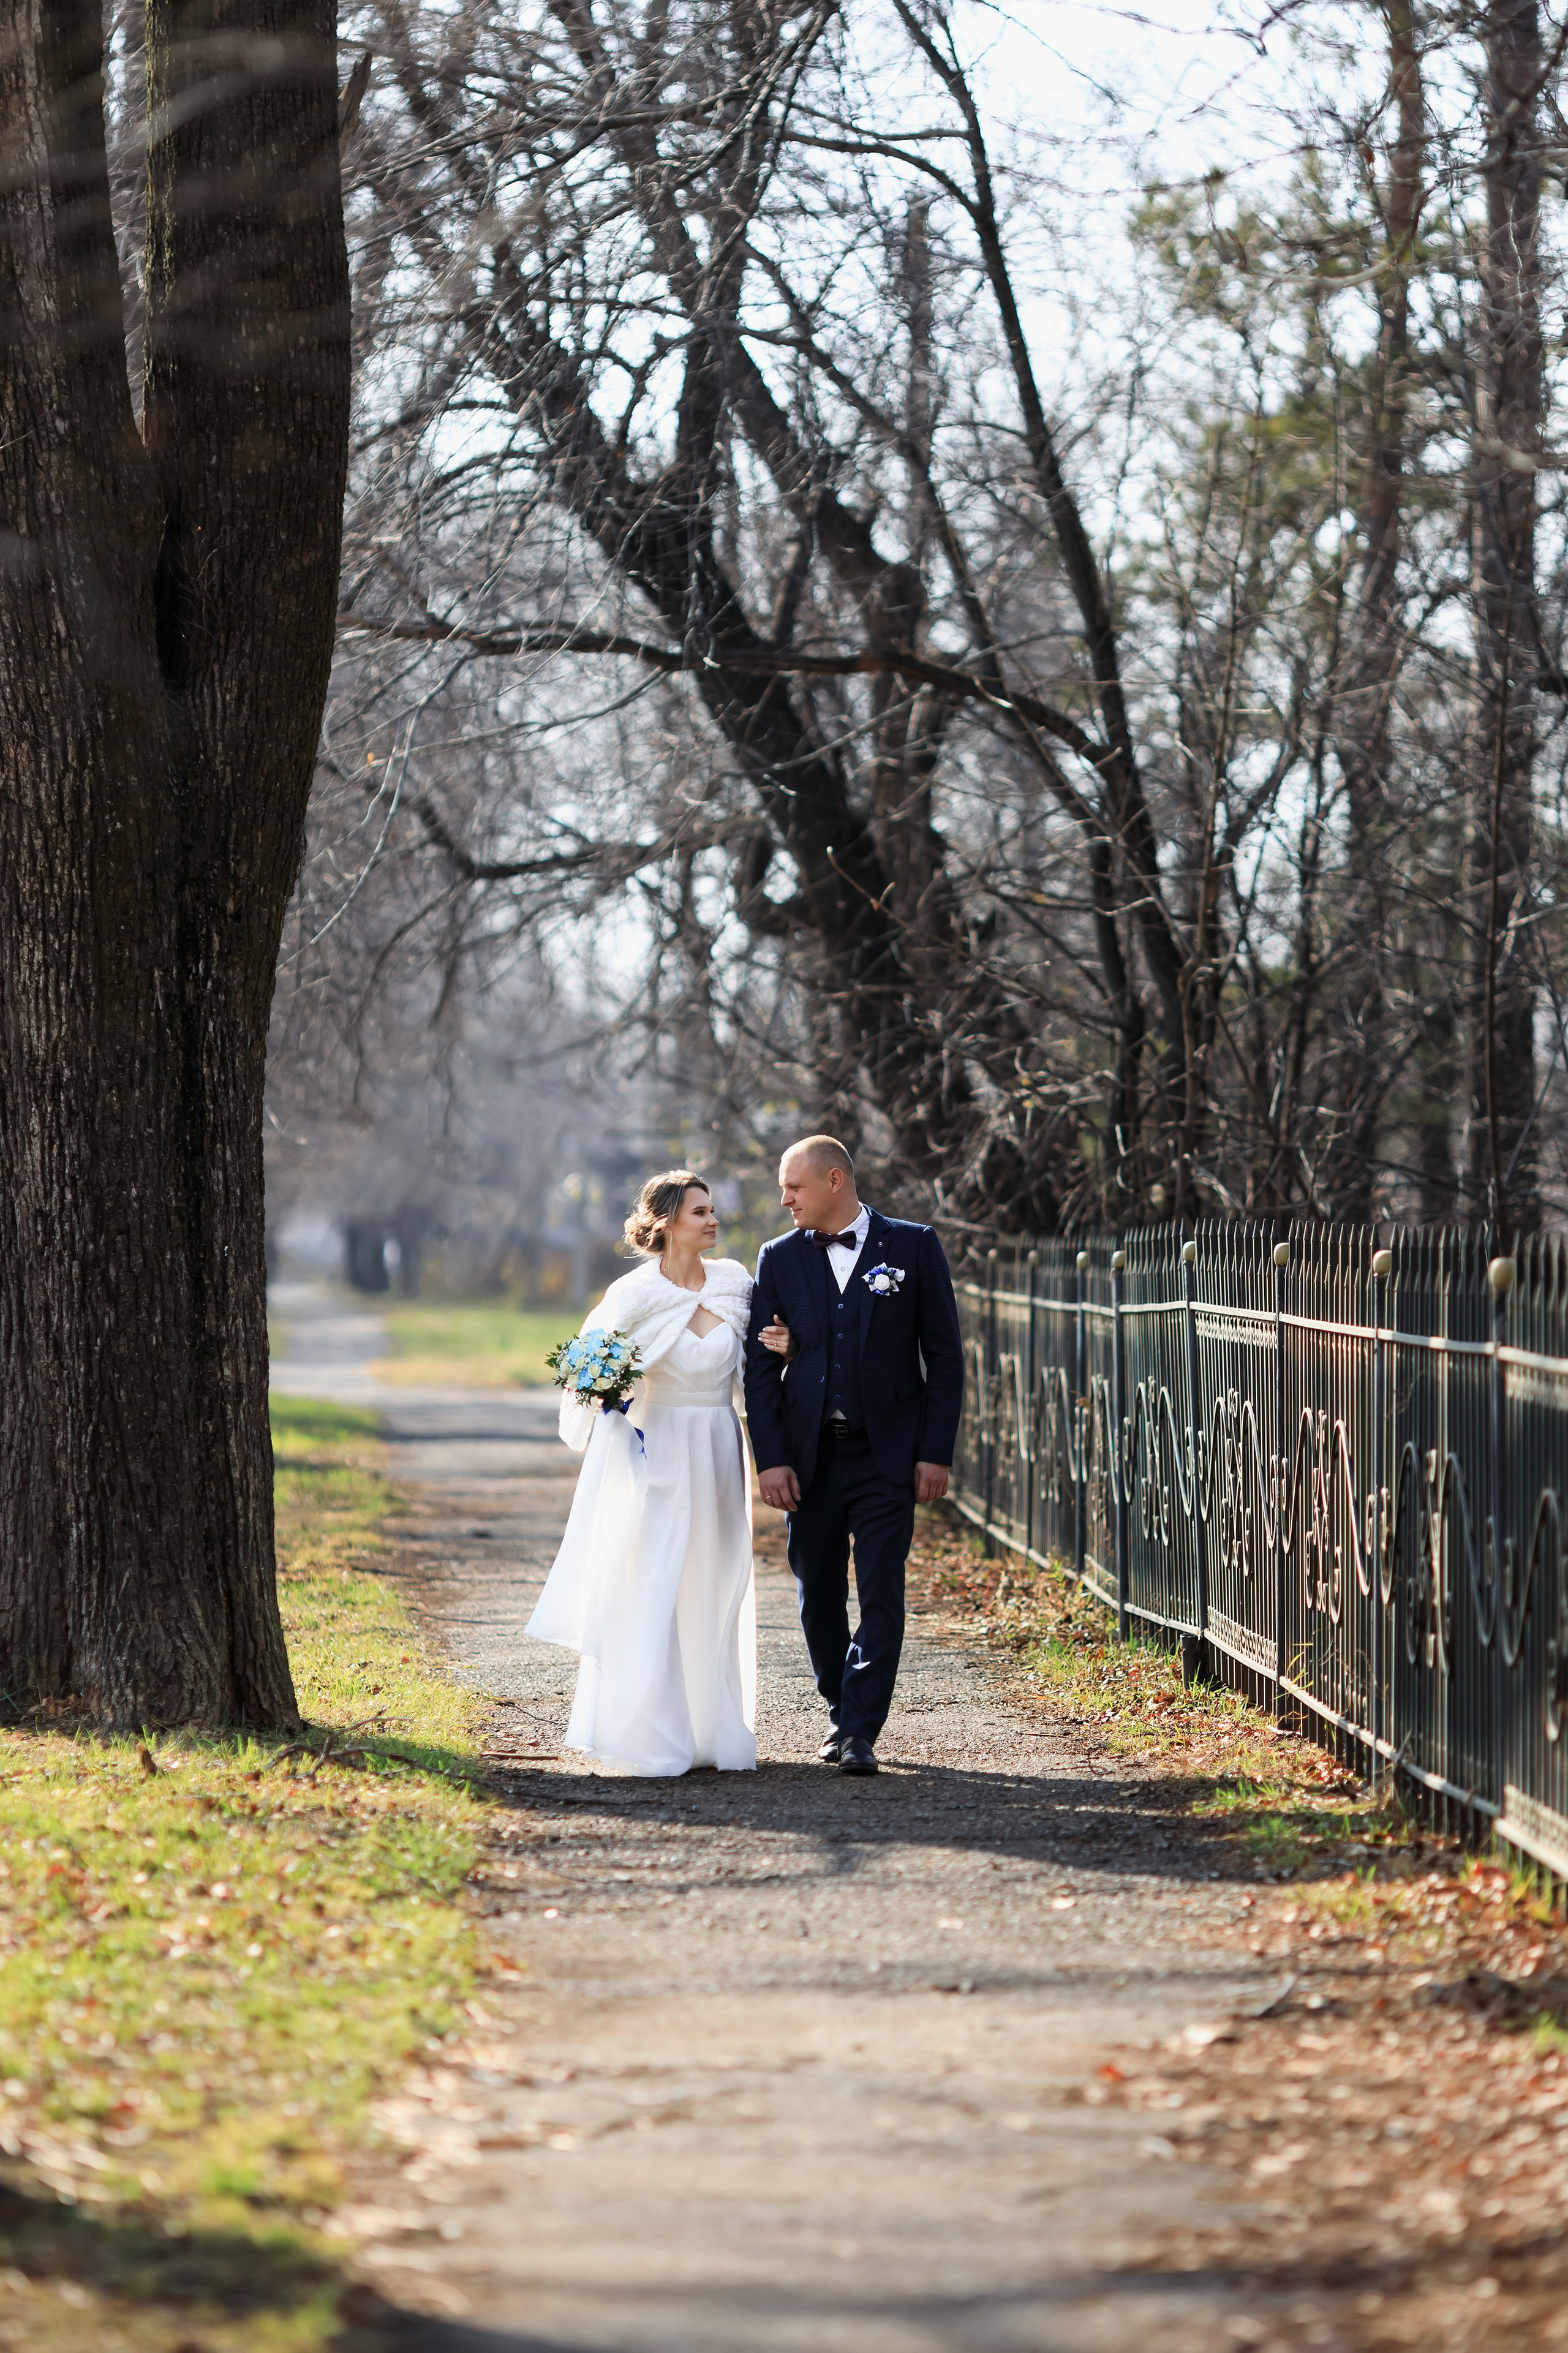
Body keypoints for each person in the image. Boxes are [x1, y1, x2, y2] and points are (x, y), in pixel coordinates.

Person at [743, 1136, 964, 1776]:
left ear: (835, 1179)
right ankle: (841, 1709)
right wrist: (771, 1458)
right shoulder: (778, 1258)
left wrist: (934, 1452)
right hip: (809, 1458)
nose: (784, 1199)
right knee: (816, 1594)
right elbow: (761, 1367)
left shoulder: (913, 1246)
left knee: (881, 1591)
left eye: (795, 1187)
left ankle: (861, 1729)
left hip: (886, 1456)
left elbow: (944, 1357)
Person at [526, 1171, 760, 1777]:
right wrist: (606, 1395)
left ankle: (711, 1729)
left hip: (717, 1449)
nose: (712, 1221)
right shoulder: (631, 1296)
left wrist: (780, 1346)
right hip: (656, 1453)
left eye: (713, 1210)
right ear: (665, 1224)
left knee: (714, 1580)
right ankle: (651, 1731)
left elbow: (760, 1364)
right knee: (655, 1580)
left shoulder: (737, 1283)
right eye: (699, 1212)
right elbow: (585, 1377)